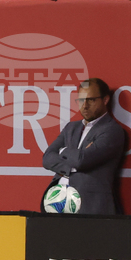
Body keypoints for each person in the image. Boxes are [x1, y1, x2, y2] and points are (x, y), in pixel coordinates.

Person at [42, 79, 126, 215]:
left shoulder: (112, 130)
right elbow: (47, 158)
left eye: (91, 100)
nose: (84, 105)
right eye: (81, 100)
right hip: (57, 203)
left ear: (105, 100)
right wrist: (73, 163)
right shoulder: (71, 128)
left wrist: (63, 151)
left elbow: (82, 160)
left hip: (91, 206)